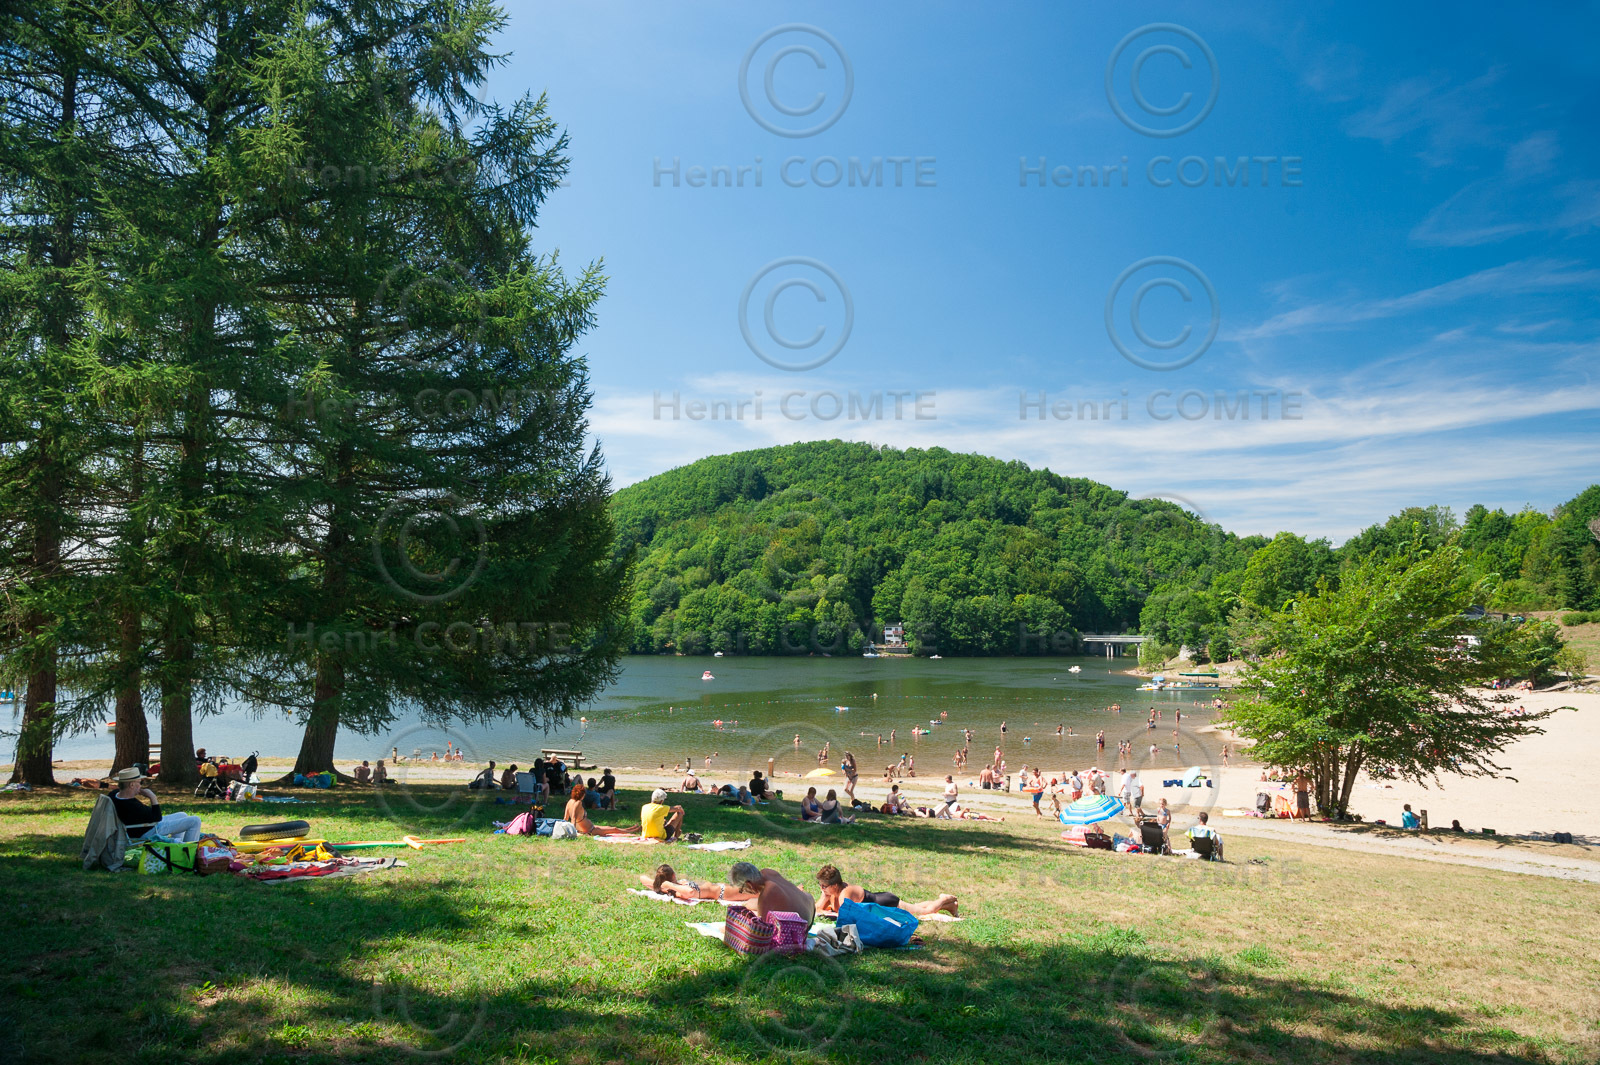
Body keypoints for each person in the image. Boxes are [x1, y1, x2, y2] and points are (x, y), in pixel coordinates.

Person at [815, 864, 959, 917]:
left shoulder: (845, 893)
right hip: (880, 902)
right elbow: (817, 909)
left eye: (824, 886)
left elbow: (846, 916)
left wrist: (827, 913)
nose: (821, 889)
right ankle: (950, 906)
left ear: (834, 885)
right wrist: (823, 897)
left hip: (886, 902)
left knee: (923, 912)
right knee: (917, 906)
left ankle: (944, 899)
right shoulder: (830, 892)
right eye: (820, 885)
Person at [110, 767, 203, 842]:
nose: (140, 786)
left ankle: (178, 847)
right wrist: (152, 797)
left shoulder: (114, 794)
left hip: (145, 825)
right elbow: (157, 818)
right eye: (139, 782)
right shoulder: (131, 806)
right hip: (147, 830)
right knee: (195, 821)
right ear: (132, 785)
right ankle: (189, 852)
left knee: (182, 815)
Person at [729, 862, 815, 923]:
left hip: (801, 927)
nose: (743, 892)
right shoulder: (768, 872)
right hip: (809, 908)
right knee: (751, 903)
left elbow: (762, 928)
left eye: (742, 889)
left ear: (749, 885)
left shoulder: (767, 894)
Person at [640, 864, 758, 903]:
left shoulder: (665, 888)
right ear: (673, 876)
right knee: (760, 892)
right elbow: (690, 892)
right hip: (723, 892)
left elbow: (642, 878)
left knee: (761, 887)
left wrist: (660, 884)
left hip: (722, 888)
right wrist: (669, 885)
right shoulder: (677, 891)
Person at [564, 783, 638, 837]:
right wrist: (572, 834)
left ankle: (630, 829)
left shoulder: (570, 801)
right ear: (582, 794)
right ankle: (633, 830)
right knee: (614, 829)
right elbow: (573, 818)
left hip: (588, 828)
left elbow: (565, 818)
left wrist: (565, 829)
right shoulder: (578, 803)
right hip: (589, 830)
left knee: (611, 828)